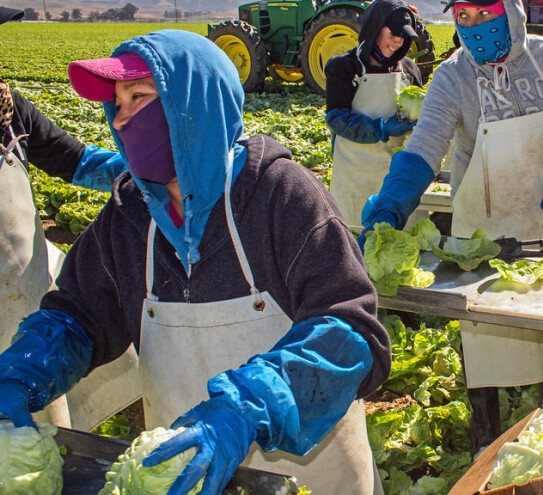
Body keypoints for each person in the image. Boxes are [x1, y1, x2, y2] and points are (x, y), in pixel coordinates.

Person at [0, 30, 390, 495]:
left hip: (312, 471)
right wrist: (24, 371)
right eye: (117, 104)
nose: (121, 119)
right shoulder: (129, 215)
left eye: (138, 98)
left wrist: (246, 409)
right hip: (181, 472)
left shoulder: (280, 194)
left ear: (192, 104)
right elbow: (78, 314)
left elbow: (349, 332)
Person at [359, 0, 543, 454]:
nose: (474, 28)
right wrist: (389, 209)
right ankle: (486, 441)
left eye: (484, 14)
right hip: (482, 236)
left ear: (511, 11)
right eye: (463, 18)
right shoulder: (454, 77)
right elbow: (423, 149)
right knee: (486, 348)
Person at [0, 6, 131, 429]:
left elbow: (73, 160)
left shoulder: (8, 111)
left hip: (24, 303)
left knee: (35, 435)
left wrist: (151, 170)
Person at [325, 0, 423, 229]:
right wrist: (379, 128)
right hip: (355, 171)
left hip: (396, 174)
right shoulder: (344, 67)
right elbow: (336, 119)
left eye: (404, 36)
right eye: (393, 34)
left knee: (400, 238)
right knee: (355, 233)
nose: (398, 42)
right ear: (374, 28)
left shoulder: (408, 69)